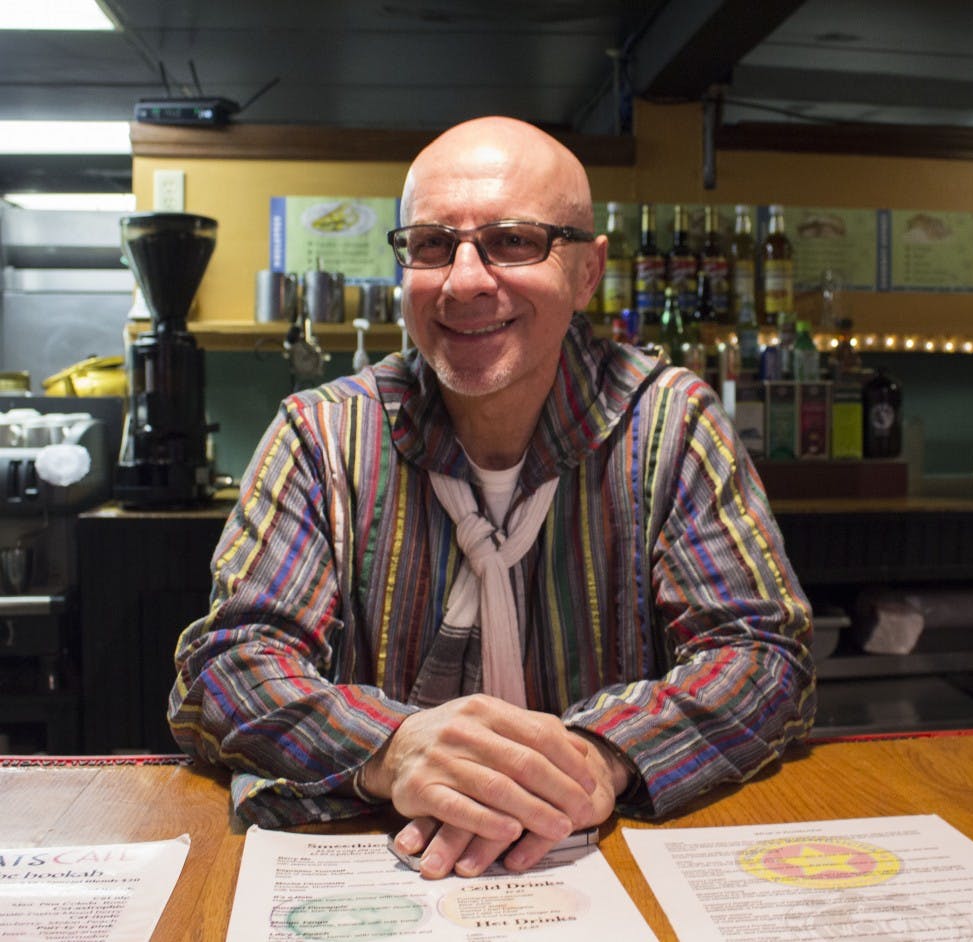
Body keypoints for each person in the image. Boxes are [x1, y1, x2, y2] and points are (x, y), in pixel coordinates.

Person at [168, 116, 816, 880]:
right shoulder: (320, 435)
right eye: (432, 245)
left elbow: (763, 653)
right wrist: (393, 746)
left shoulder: (670, 423)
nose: (465, 280)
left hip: (605, 865)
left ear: (587, 272)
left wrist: (593, 758)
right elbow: (227, 665)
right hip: (383, 870)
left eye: (514, 240)